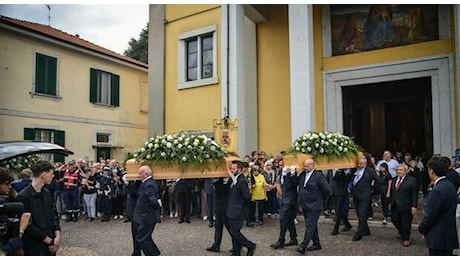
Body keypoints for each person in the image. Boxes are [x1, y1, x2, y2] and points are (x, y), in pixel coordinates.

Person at [16, 160, 61, 256]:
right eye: (51, 173)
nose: (53, 176)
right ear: (44, 175)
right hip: (34, 248)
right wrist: (49, 240)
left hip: (50, 245)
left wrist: (57, 235)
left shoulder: (47, 193)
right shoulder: (23, 197)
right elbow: (27, 225)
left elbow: (53, 214)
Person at [418, 156, 459, 256]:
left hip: (438, 237)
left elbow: (431, 216)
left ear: (431, 170)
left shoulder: (437, 190)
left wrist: (422, 228)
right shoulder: (450, 186)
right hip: (448, 235)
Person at [296, 158, 331, 254]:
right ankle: (316, 243)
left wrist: (320, 199)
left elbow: (327, 190)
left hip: (315, 205)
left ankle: (303, 245)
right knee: (312, 225)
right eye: (305, 166)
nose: (305, 167)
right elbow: (296, 183)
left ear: (313, 166)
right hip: (305, 204)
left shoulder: (318, 176)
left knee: (310, 225)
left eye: (307, 166)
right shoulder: (303, 175)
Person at [227, 160, 257, 256]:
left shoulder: (241, 181)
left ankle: (250, 245)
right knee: (234, 233)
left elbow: (247, 196)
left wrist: (241, 206)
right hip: (232, 209)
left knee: (234, 232)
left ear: (240, 169)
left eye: (234, 169)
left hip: (237, 210)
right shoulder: (235, 179)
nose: (232, 170)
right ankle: (236, 252)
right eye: (231, 168)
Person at [131, 165, 162, 256]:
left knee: (142, 239)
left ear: (146, 174)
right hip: (142, 216)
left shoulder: (149, 184)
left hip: (147, 217)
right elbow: (137, 193)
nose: (138, 175)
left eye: (140, 173)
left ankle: (153, 255)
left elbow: (153, 201)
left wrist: (158, 203)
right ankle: (155, 253)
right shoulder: (146, 183)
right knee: (145, 238)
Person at [350, 156, 382, 241]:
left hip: (365, 196)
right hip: (356, 195)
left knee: (362, 214)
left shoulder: (370, 171)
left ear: (365, 163)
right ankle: (366, 230)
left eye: (361, 164)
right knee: (359, 214)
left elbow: (379, 180)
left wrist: (373, 190)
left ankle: (359, 233)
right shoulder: (355, 170)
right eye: (358, 164)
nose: (359, 165)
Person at [270, 165, 299, 249]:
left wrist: (291, 175)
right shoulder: (282, 173)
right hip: (285, 198)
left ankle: (281, 240)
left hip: (290, 200)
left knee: (283, 219)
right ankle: (293, 238)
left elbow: (292, 185)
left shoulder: (292, 174)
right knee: (289, 220)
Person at [389, 164, 418, 247]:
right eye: (398, 170)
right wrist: (390, 202)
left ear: (405, 171)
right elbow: (392, 192)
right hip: (395, 204)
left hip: (406, 205)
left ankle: (406, 238)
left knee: (406, 223)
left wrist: (414, 206)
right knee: (394, 219)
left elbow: (414, 194)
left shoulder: (412, 180)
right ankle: (401, 231)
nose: (399, 171)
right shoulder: (394, 180)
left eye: (401, 170)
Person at [206, 177, 232, 253]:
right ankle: (216, 245)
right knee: (218, 227)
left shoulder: (227, 181)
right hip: (218, 207)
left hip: (224, 208)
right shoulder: (218, 181)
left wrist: (217, 181)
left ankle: (238, 244)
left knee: (230, 228)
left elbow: (225, 191)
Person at [328, 168, 353, 235]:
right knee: (338, 210)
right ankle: (347, 224)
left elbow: (347, 179)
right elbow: (329, 179)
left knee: (339, 210)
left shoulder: (343, 170)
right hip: (333, 191)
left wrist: (343, 172)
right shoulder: (330, 169)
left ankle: (336, 228)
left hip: (341, 192)